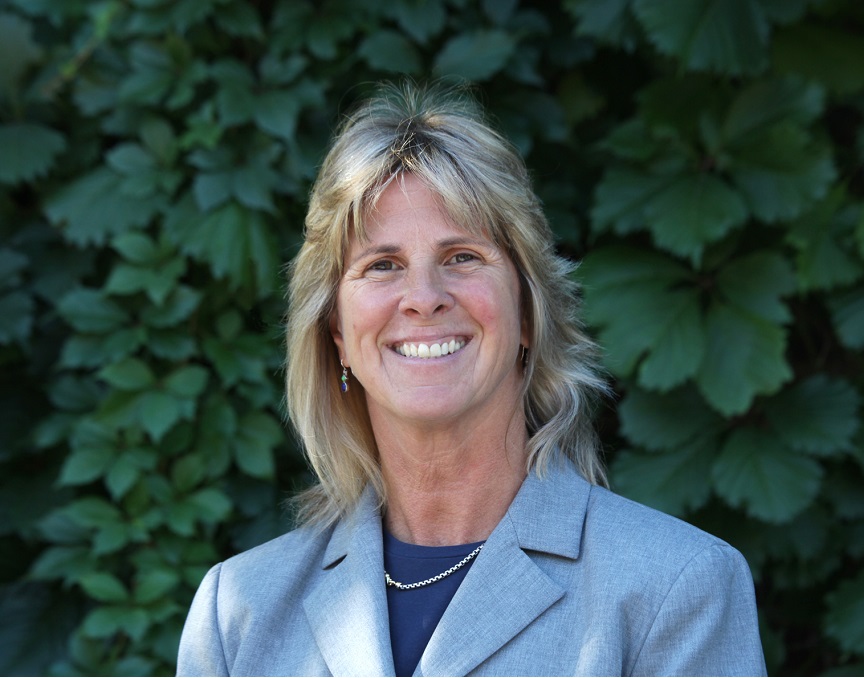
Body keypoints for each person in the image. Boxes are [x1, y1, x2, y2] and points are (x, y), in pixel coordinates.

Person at [177, 81, 767, 677]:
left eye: (462, 257)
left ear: (529, 312)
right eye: (382, 265)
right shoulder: (238, 613)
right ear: (336, 334)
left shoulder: (676, 587)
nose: (424, 299)